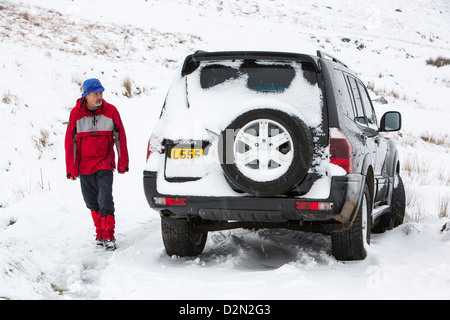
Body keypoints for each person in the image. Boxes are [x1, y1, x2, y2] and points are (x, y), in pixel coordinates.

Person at [65, 78, 129, 251]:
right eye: (95, 94)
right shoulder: (75, 114)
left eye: (101, 93)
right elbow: (70, 143)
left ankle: (109, 235)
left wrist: (123, 161)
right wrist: (71, 169)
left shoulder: (111, 111)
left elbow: (120, 137)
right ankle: (100, 232)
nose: (99, 97)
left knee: (105, 198)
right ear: (86, 95)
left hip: (104, 163)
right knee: (91, 201)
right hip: (84, 165)